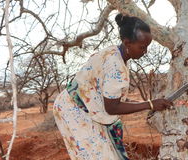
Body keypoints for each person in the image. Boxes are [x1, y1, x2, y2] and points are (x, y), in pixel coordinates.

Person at [53, 13, 173, 160]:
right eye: (142, 47)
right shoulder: (116, 66)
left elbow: (112, 97)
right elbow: (111, 107)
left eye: (147, 47)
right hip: (75, 111)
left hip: (82, 107)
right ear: (127, 43)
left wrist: (149, 105)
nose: (145, 52)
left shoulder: (114, 52)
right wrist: (149, 104)